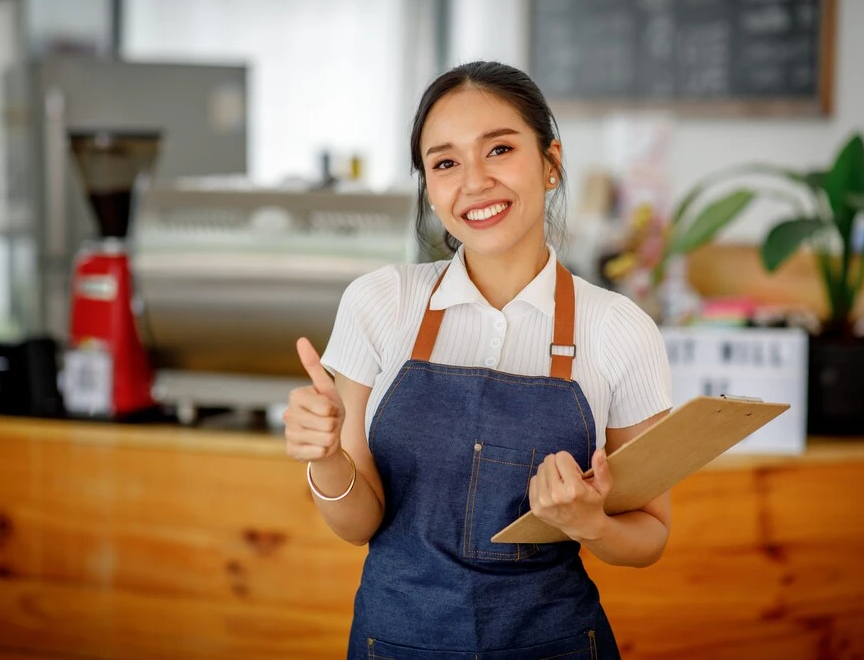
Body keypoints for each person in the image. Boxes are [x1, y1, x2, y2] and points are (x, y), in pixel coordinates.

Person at [284, 61, 673, 659]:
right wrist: (328, 458)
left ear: (551, 163)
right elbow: (359, 525)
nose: (474, 182)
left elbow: (649, 534)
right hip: (395, 643)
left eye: (498, 149)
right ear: (430, 189)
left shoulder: (620, 330)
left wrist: (589, 523)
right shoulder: (379, 304)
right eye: (445, 163)